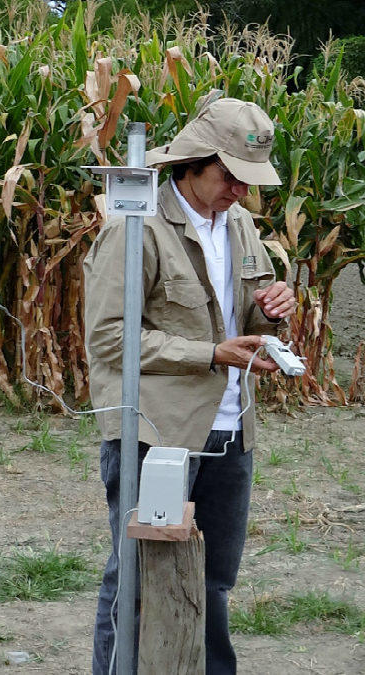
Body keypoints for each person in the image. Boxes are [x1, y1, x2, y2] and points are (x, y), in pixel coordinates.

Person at [84, 97, 296, 675]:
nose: (241, 192)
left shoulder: (243, 225)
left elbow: (246, 319)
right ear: (193, 163)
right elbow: (108, 340)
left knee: (214, 580)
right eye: (231, 176)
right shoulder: (137, 226)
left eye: (248, 180)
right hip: (158, 433)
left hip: (231, 432)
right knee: (139, 572)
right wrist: (210, 354)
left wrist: (273, 313)